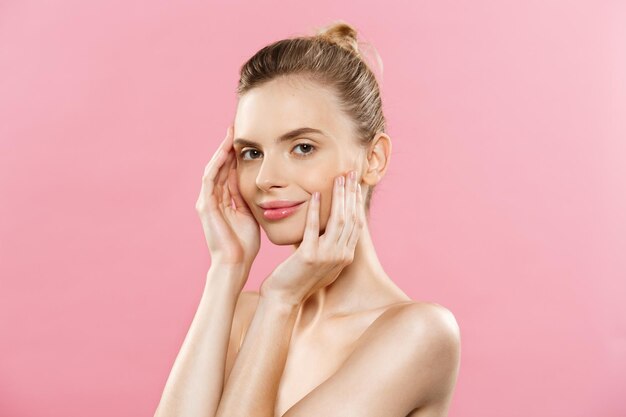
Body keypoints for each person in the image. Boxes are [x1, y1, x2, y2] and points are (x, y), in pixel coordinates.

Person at [155, 20, 461, 417]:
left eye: (302, 147)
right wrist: (226, 268)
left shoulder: (418, 333)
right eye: (251, 153)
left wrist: (281, 300)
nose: (266, 179)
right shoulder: (245, 314)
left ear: (374, 159)